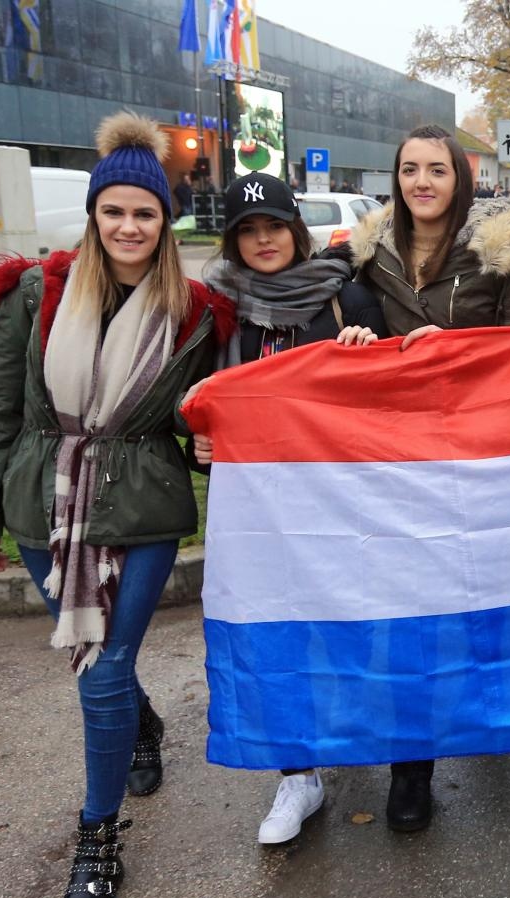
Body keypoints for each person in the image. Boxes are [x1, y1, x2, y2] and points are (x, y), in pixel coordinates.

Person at [0, 113, 234, 898]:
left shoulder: (193, 310)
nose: (128, 226)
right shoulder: (37, 291)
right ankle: (142, 725)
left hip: (143, 506)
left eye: (144, 214)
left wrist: (209, 435)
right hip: (43, 505)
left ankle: (97, 841)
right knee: (97, 663)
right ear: (93, 215)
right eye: (114, 211)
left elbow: (201, 415)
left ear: (164, 222)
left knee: (104, 667)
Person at [350, 124, 510, 829]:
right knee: (411, 611)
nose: (422, 182)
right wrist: (358, 339)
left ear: (460, 178)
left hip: (483, 454)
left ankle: (497, 711)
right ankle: (412, 765)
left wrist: (452, 349)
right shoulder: (368, 257)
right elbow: (334, 326)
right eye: (409, 170)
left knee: (486, 596)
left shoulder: (502, 251)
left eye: (436, 169)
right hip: (400, 460)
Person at [194, 172, 387, 844]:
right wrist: (198, 441)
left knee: (354, 626)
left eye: (273, 226)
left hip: (337, 503)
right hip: (257, 512)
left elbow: (394, 397)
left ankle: (383, 741)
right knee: (275, 636)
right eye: (247, 230)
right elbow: (193, 398)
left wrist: (366, 356)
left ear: (296, 230)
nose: (262, 240)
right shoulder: (218, 309)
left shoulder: (344, 297)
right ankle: (297, 774)